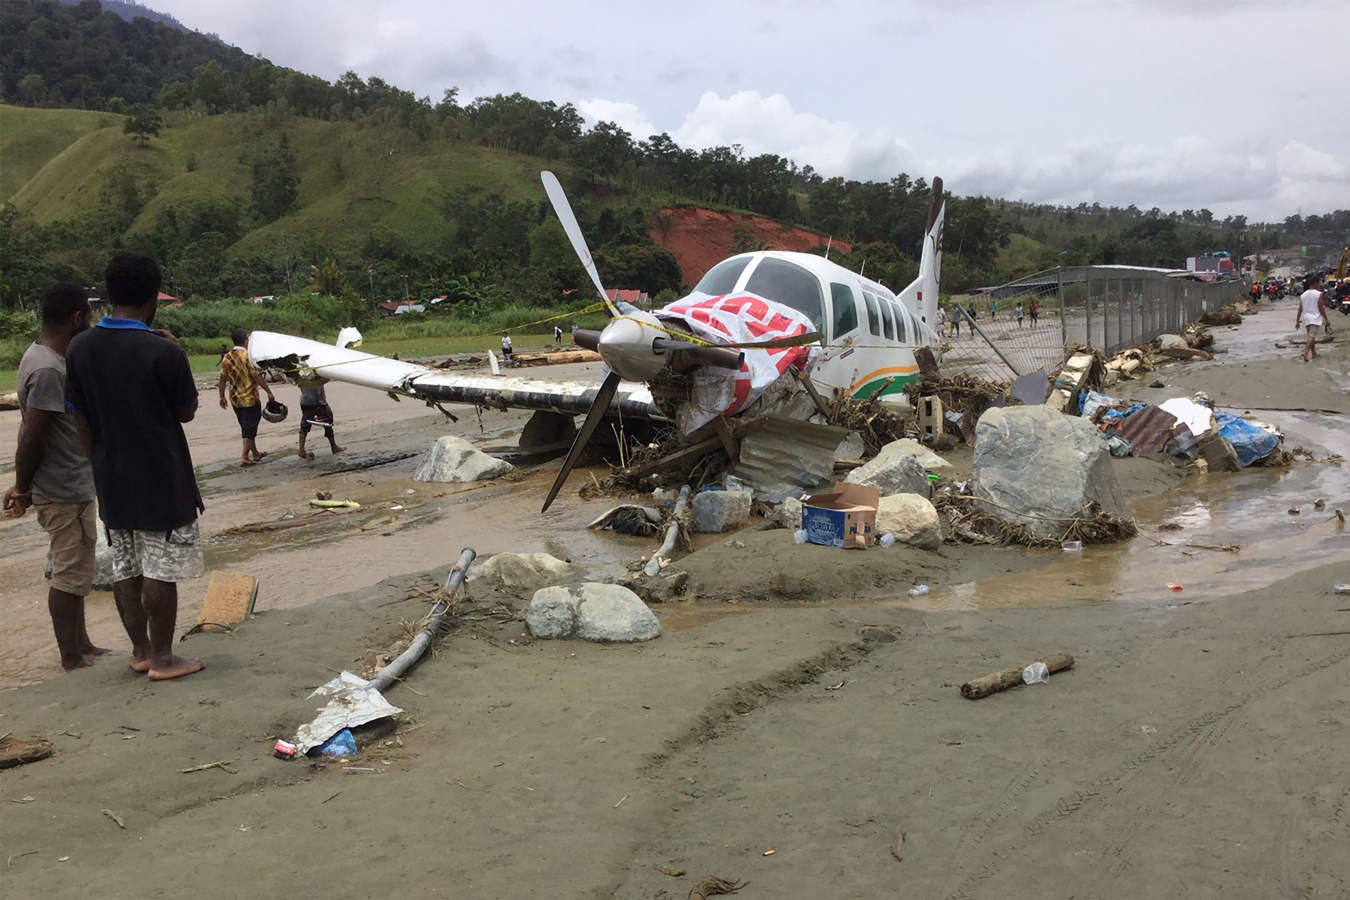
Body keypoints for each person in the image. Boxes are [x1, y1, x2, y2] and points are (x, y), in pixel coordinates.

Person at [65, 252, 205, 681]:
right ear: (153, 297)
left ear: (109, 295)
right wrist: (176, 348)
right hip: (162, 477)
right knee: (160, 568)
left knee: (126, 565)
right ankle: (163, 659)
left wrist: (98, 464)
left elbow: (79, 417)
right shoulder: (162, 351)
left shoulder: (80, 347)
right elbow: (186, 412)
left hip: (111, 475)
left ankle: (142, 650)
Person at [3, 284, 111, 671]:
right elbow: (33, 433)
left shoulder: (41, 356)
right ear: (77, 318)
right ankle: (71, 655)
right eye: (88, 314)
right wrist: (23, 487)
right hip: (62, 487)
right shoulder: (48, 367)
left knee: (77, 569)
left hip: (68, 483)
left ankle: (83, 644)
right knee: (68, 572)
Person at [218, 326, 275, 467]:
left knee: (246, 427)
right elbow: (256, 376)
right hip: (250, 398)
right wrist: (268, 391)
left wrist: (222, 397)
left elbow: (222, 379)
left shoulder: (227, 357)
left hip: (235, 399)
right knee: (250, 429)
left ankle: (255, 454)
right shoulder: (247, 356)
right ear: (245, 340)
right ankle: (244, 456)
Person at [297, 377, 343, 460]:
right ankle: (333, 447)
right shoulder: (307, 374)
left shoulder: (304, 374)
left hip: (311, 400)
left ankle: (334, 447)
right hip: (314, 401)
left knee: (307, 424)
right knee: (325, 422)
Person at [1296, 277, 1330, 362]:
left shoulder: (1303, 295)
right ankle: (1306, 352)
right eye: (1319, 283)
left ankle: (1314, 353)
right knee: (1311, 336)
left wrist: (1297, 320)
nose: (1319, 285)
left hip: (1306, 318)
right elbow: (1321, 308)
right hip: (1315, 318)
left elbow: (1300, 308)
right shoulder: (1319, 294)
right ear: (1315, 283)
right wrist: (1326, 319)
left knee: (1311, 337)